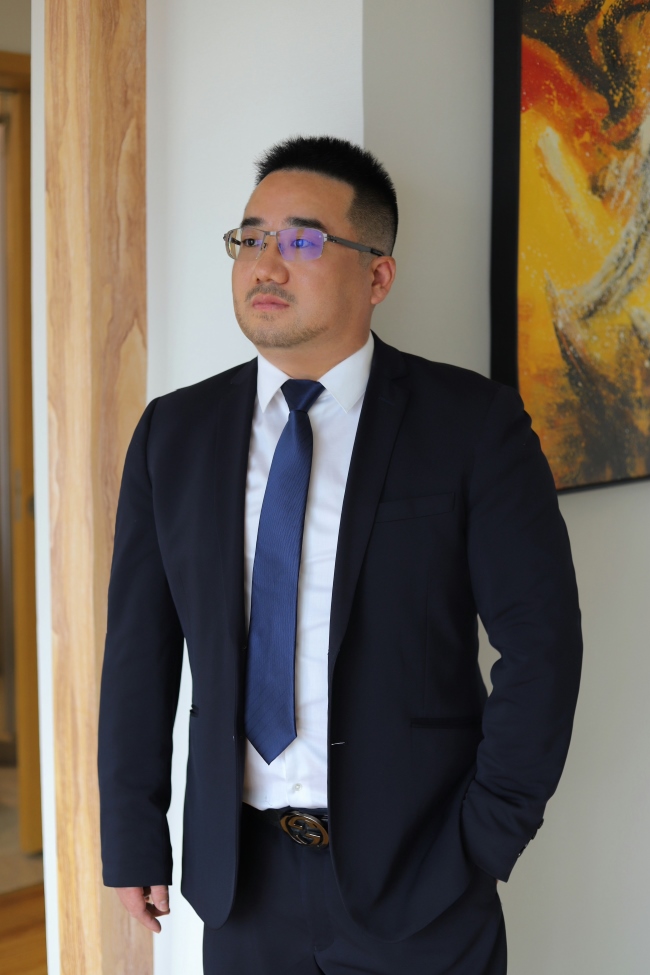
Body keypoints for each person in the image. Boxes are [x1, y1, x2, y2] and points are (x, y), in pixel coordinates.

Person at [98, 136, 583, 974]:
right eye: (251, 238)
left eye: (302, 240)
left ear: (377, 276)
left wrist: (485, 836)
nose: (266, 264)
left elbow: (543, 645)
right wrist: (134, 835)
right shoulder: (173, 435)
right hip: (242, 886)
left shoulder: (472, 426)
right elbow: (140, 651)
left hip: (422, 879)